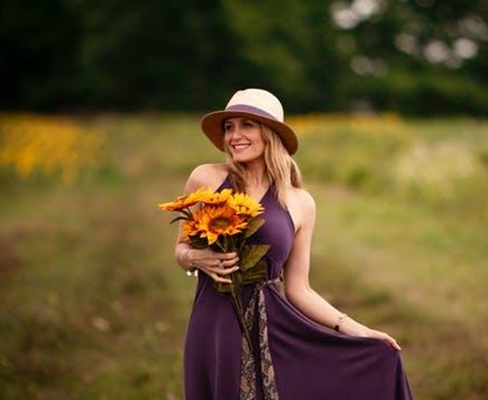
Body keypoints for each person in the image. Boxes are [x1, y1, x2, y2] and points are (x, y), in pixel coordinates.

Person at [171, 88, 413, 399]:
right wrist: (196, 258)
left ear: (270, 134)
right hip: (215, 324)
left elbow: (299, 289)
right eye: (229, 126)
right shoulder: (205, 179)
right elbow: (180, 250)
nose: (234, 135)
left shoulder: (300, 202)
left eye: (247, 125)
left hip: (276, 327)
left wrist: (355, 328)